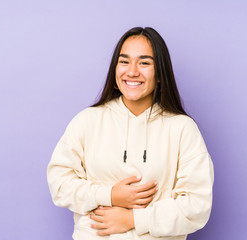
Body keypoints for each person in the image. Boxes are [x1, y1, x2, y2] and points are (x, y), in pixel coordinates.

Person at [47, 27, 214, 240]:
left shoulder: (182, 128)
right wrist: (110, 195)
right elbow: (59, 185)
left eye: (144, 63)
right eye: (124, 61)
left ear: (160, 73)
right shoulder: (87, 120)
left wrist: (134, 219)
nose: (132, 71)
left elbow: (197, 206)